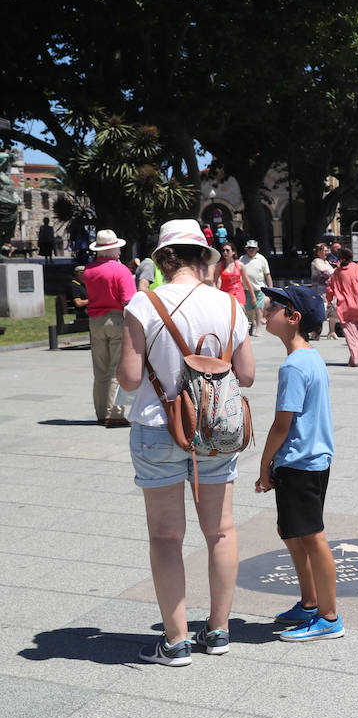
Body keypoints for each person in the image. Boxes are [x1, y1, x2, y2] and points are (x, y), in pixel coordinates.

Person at [116, 218, 255, 664]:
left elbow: (131, 377)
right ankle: (217, 631)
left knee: (165, 536)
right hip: (215, 429)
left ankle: (175, 641)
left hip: (158, 426)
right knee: (221, 531)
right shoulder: (230, 306)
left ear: (164, 257)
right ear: (202, 258)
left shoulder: (144, 302)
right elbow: (247, 375)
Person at [255, 284, 343, 642]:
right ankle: (309, 604)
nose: (266, 309)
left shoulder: (293, 366)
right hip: (311, 460)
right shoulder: (311, 356)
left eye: (274, 306)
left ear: (293, 318)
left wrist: (264, 466)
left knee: (312, 537)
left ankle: (329, 616)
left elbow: (282, 424)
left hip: (299, 462)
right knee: (293, 533)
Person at [85, 229, 136, 427]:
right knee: (117, 368)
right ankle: (115, 414)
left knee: (100, 370)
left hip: (95, 321)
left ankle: (100, 412)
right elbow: (128, 300)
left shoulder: (89, 270)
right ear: (113, 249)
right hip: (116, 320)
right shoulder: (120, 270)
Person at [325, 245, 358, 366]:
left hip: (345, 307)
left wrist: (329, 302)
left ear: (340, 258)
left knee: (350, 333)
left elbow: (329, 289)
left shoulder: (336, 273)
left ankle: (355, 358)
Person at [239, 240, 273, 336]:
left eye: (253, 248)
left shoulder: (261, 259)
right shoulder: (242, 258)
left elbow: (267, 274)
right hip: (246, 289)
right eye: (249, 248)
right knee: (248, 309)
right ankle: (253, 322)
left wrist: (271, 289)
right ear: (246, 249)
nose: (251, 250)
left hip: (259, 288)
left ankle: (258, 328)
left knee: (259, 308)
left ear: (257, 249)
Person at [216, 242, 255, 318]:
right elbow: (215, 280)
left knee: (240, 309)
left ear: (233, 252)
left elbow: (247, 281)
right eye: (223, 251)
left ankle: (246, 324)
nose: (225, 253)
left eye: (227, 250)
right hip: (225, 292)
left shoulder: (240, 265)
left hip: (238, 291)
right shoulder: (219, 265)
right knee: (227, 314)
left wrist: (253, 295)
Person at [310, 243, 337, 340]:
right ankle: (315, 333)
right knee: (320, 311)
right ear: (319, 252)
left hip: (329, 290)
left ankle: (332, 331)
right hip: (319, 291)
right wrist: (336, 270)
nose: (327, 253)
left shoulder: (326, 262)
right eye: (325, 251)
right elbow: (325, 273)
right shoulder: (316, 261)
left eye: (327, 250)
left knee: (333, 309)